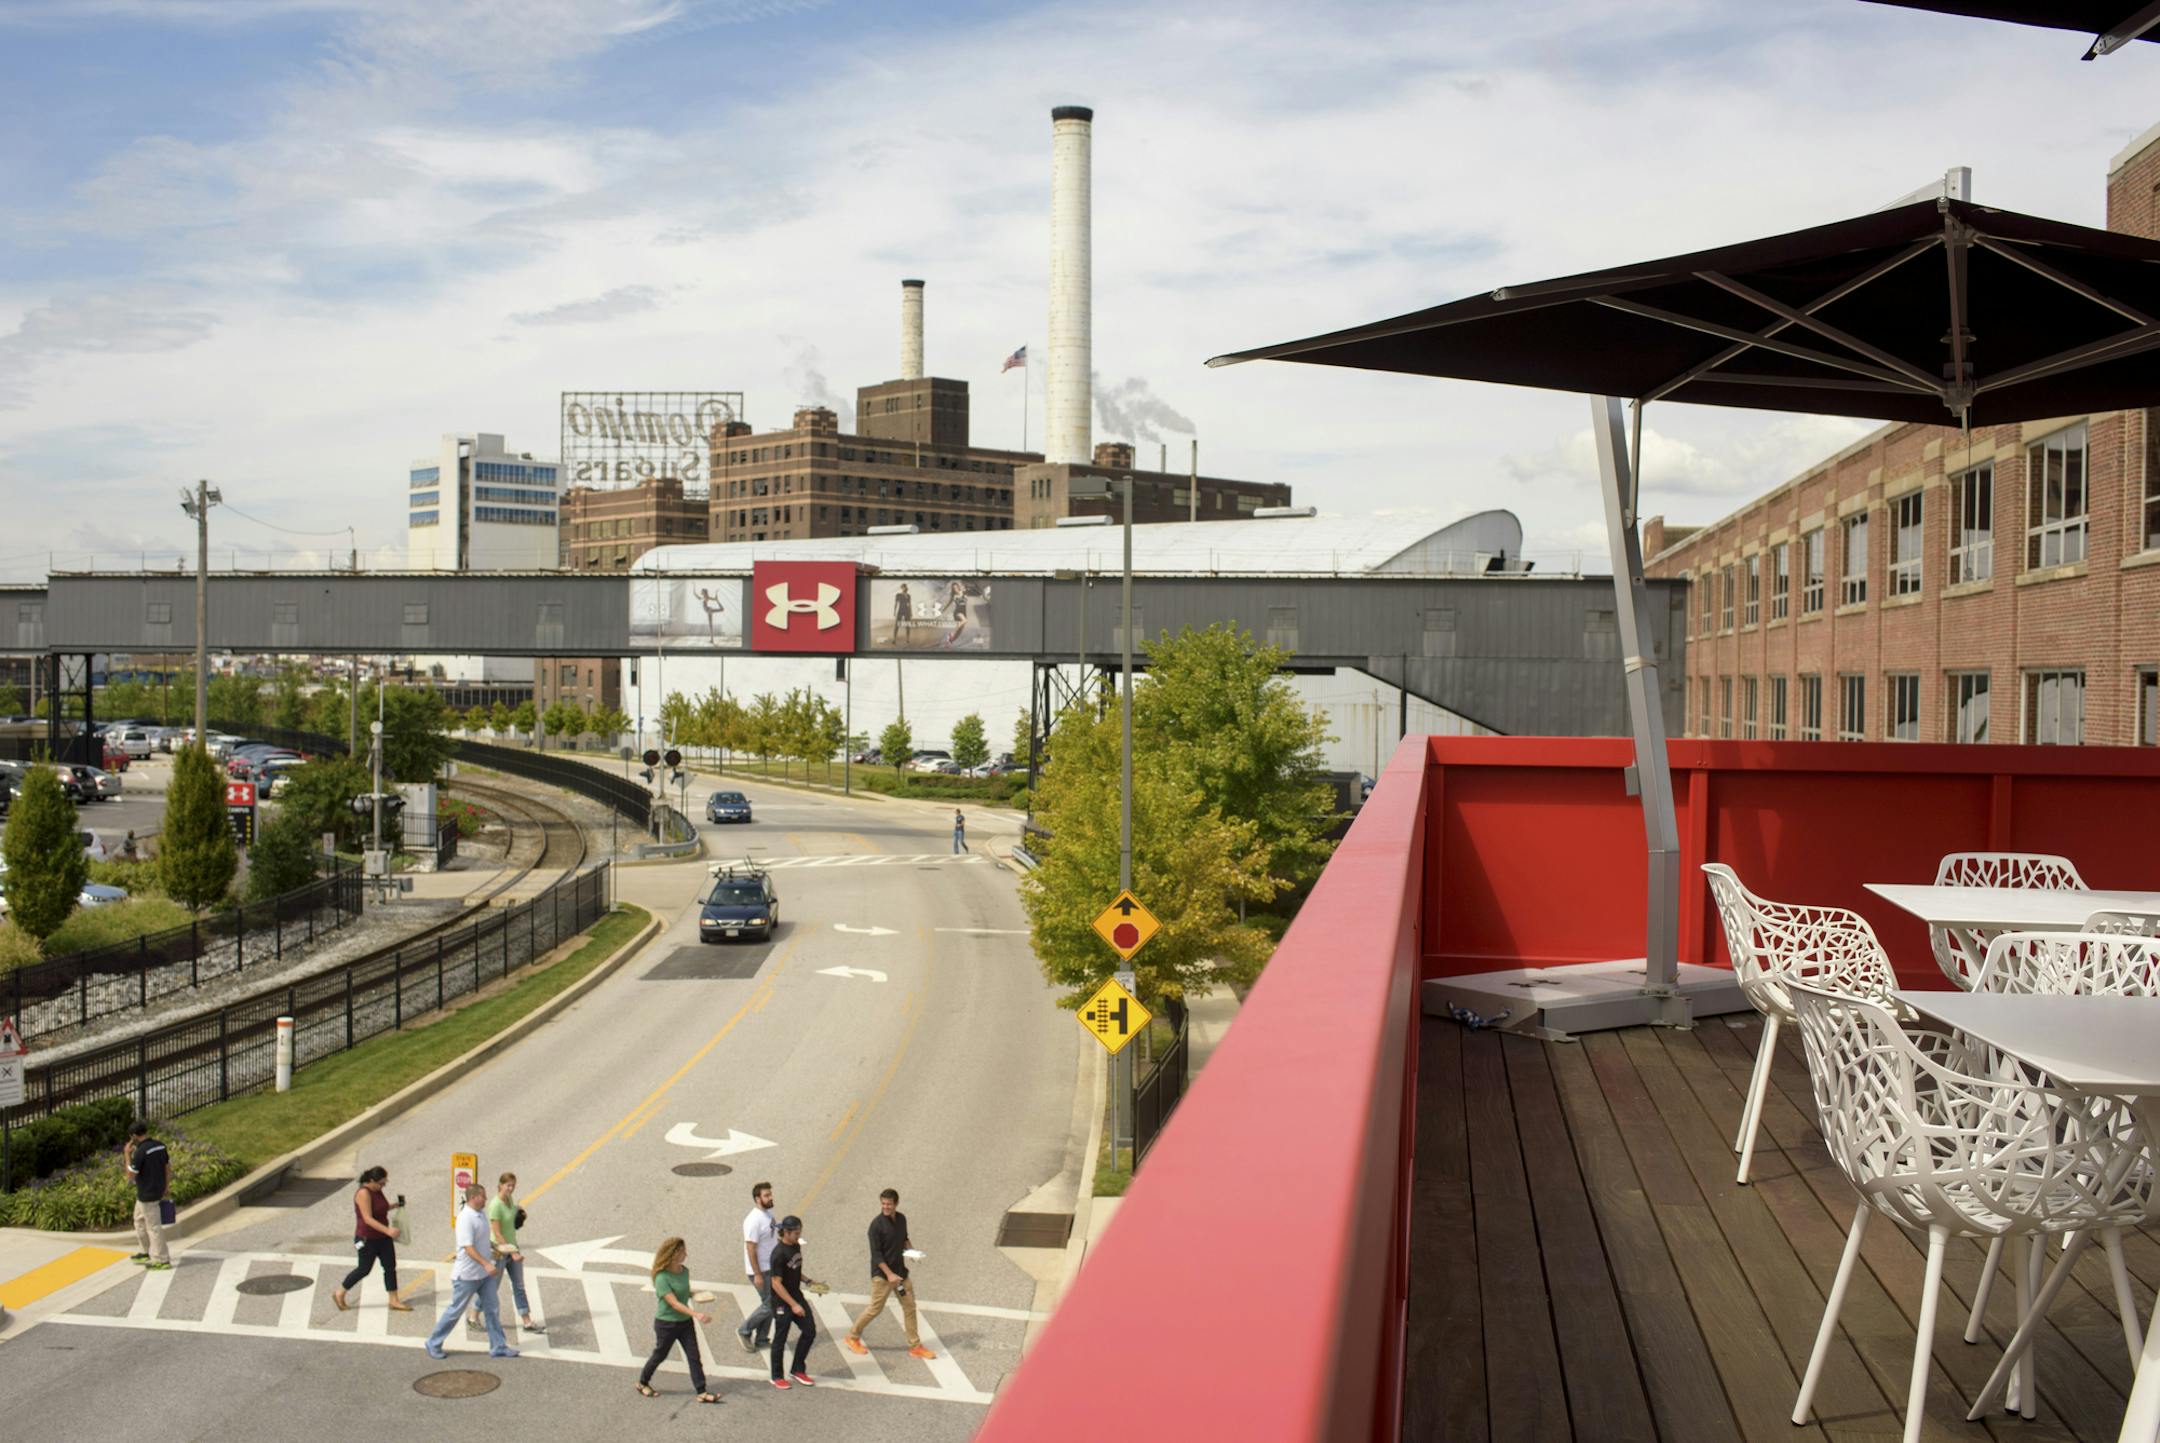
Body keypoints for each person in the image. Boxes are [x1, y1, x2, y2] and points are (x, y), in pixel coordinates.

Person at [842, 1188, 935, 1360]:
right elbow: (876, 1256)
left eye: (889, 1204)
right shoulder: (876, 1226)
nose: (885, 1207)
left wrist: (912, 1252)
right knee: (875, 1309)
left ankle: (915, 1346)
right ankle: (852, 1337)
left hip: (900, 1274)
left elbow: (904, 1239)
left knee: (909, 1307)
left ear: (896, 1204)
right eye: (883, 1203)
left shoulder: (901, 1219)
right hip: (883, 1276)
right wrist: (890, 1275)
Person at [425, 1184, 515, 1360]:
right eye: (483, 1196)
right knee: (455, 1311)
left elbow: (482, 1239)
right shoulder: (465, 1218)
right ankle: (433, 1342)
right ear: (473, 1197)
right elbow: (468, 1248)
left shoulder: (480, 1214)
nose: (486, 1199)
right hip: (467, 1275)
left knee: (492, 1309)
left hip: (483, 1275)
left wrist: (495, 1246)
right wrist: (486, 1264)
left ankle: (498, 1346)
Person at [637, 1237, 720, 1404]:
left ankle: (702, 1391)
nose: (685, 1254)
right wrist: (696, 1314)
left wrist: (697, 1294)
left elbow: (684, 1292)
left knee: (694, 1356)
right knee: (660, 1355)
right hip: (666, 1324)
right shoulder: (661, 1277)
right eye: (682, 1251)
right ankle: (642, 1382)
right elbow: (674, 1303)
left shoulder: (684, 1271)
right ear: (673, 1254)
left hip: (685, 1322)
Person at [470, 1171, 542, 1333]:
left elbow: (510, 1214)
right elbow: (497, 1233)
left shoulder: (509, 1200)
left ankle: (527, 1321)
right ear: (500, 1185)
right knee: (491, 1287)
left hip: (512, 1247)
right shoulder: (495, 1205)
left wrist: (518, 1210)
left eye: (513, 1186)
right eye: (508, 1185)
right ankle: (473, 1316)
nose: (511, 1188)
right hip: (499, 1251)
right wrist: (513, 1252)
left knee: (519, 1286)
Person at [333, 1166, 411, 1312]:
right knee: (364, 1269)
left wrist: (394, 1206)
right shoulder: (363, 1193)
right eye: (381, 1183)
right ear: (371, 1180)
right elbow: (368, 1218)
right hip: (367, 1238)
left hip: (383, 1237)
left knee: (390, 1267)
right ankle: (340, 1292)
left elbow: (379, 1208)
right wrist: (388, 1230)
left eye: (384, 1183)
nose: (383, 1185)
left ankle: (394, 1300)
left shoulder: (377, 1190)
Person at [767, 1215, 822, 1389]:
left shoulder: (796, 1245)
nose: (799, 1235)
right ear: (786, 1232)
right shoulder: (778, 1254)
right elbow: (776, 1283)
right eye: (796, 1233)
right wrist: (793, 1305)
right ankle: (776, 1376)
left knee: (810, 1331)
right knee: (780, 1338)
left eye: (799, 1232)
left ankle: (797, 1369)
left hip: (796, 1296)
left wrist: (808, 1281)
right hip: (782, 1302)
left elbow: (795, 1269)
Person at [737, 1179, 779, 1354]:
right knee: (771, 1304)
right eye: (766, 1195)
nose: (770, 1197)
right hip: (761, 1270)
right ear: (757, 1199)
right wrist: (758, 1274)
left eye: (770, 1194)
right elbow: (750, 1248)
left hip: (770, 1267)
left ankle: (761, 1339)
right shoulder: (753, 1220)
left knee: (770, 1304)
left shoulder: (768, 1215)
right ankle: (744, 1330)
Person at [123, 1121, 171, 1271]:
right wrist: (167, 1186)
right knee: (138, 1219)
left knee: (154, 1227)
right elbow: (167, 1167)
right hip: (155, 1190)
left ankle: (162, 1260)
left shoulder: (140, 1152)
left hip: (147, 1194)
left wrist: (127, 1154)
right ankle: (145, 1252)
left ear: (134, 1136)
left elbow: (130, 1175)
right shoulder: (160, 1145)